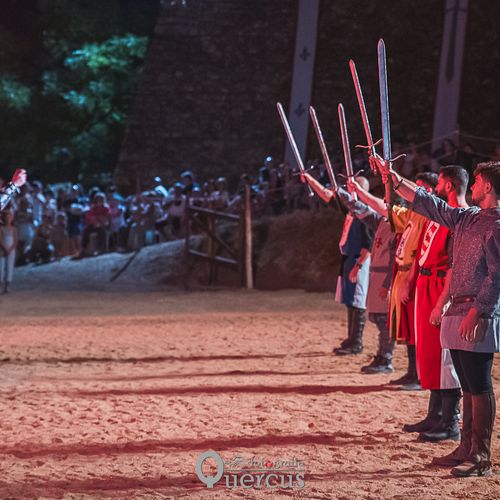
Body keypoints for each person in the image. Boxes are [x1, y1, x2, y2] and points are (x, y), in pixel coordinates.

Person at [376, 158, 500, 478]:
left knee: (479, 383)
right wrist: (395, 178)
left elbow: (497, 275)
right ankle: (466, 448)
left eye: (475, 182)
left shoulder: (496, 224)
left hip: (477, 312)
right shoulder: (468, 218)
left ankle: (480, 455)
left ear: (488, 186)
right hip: (458, 308)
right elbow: (430, 205)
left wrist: (478, 311)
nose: (471, 187)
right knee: (468, 384)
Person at [349, 172, 438, 390]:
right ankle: (412, 373)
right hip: (404, 277)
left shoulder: (431, 214)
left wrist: (382, 181)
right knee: (408, 330)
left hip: (417, 278)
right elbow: (384, 208)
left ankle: (415, 374)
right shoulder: (410, 215)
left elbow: (384, 207)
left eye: (418, 188)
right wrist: (361, 191)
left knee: (414, 331)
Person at [403, 166, 469, 443]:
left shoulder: (458, 219)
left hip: (442, 288)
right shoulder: (439, 214)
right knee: (429, 353)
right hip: (427, 284)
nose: (435, 188)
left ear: (450, 186)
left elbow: (454, 265)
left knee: (444, 357)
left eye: (439, 184)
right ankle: (434, 414)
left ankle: (449, 421)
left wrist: (442, 300)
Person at [300, 173, 373, 355]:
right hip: (349, 258)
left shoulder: (366, 214)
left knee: (358, 301)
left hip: (359, 260)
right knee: (350, 301)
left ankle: (356, 342)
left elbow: (368, 245)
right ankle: (351, 339)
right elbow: (327, 195)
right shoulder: (350, 210)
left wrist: (359, 265)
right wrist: (310, 179)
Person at [0, 209, 18, 293]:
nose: (8, 219)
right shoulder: (1, 229)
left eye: (9, 217)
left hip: (11, 250)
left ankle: (7, 285)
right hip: (2, 250)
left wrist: (10, 249)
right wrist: (4, 248)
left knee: (9, 267)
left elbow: (15, 241)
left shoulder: (14, 229)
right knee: (1, 267)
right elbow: (0, 239)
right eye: (6, 217)